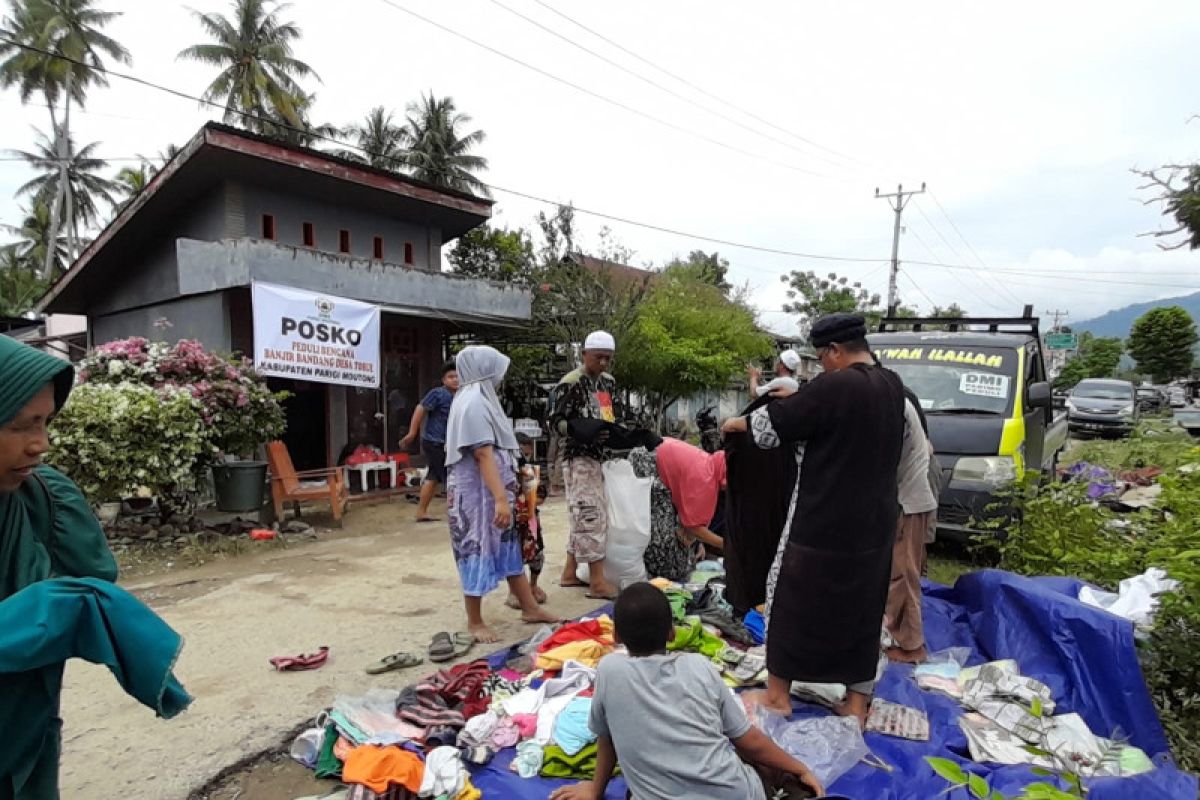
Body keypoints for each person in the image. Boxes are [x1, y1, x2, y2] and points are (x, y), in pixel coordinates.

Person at [0, 335, 191, 797]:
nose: (40, 445)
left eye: (45, 423)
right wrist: (36, 614)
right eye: (22, 426)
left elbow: (95, 574)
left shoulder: (39, 498)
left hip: (29, 744)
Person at [722, 312, 906, 726]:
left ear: (835, 351)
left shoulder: (837, 385)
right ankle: (857, 705)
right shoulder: (892, 385)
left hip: (823, 518)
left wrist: (737, 424)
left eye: (822, 357)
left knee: (789, 598)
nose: (820, 365)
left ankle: (777, 695)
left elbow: (772, 428)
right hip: (875, 520)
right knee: (863, 605)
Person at [550, 583, 823, 800]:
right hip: (734, 792)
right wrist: (800, 769)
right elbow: (748, 741)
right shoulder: (699, 666)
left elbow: (606, 737)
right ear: (672, 633)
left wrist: (595, 790)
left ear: (616, 637)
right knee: (760, 763)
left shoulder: (609, 670)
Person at [444, 346, 558, 643]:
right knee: (475, 549)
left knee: (508, 548)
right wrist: (497, 499)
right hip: (478, 498)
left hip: (493, 491)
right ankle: (475, 621)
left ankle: (529, 607)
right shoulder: (473, 403)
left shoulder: (478, 399)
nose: (500, 378)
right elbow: (482, 453)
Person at [551, 330, 622, 600]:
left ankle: (570, 573)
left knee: (585, 513)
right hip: (578, 457)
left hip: (601, 456)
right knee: (590, 514)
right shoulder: (571, 383)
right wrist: (578, 430)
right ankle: (596, 581)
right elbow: (554, 420)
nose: (603, 363)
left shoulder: (608, 383)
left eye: (608, 358)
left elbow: (610, 414)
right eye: (598, 357)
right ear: (584, 355)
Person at [721, 392, 799, 616]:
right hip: (779, 510)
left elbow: (729, 432)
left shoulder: (747, 424)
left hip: (748, 512)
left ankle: (747, 606)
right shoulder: (793, 424)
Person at [629, 436, 727, 582]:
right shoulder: (705, 480)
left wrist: (697, 543)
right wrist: (726, 545)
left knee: (682, 552)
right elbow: (693, 527)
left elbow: (688, 514)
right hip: (647, 464)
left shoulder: (710, 466)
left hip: (650, 453)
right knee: (666, 551)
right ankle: (657, 574)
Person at [886, 393, 938, 662]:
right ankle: (900, 634)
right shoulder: (899, 403)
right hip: (909, 500)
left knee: (904, 575)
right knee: (899, 573)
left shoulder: (895, 407)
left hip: (909, 503)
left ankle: (912, 646)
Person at [400, 361, 459, 522]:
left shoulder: (462, 395)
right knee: (450, 478)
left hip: (448, 443)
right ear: (443, 379)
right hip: (435, 442)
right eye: (450, 376)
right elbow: (421, 408)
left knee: (433, 477)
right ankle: (457, 513)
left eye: (457, 376)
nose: (455, 379)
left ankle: (421, 512)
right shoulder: (438, 393)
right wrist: (412, 433)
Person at [505, 432, 547, 609]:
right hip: (513, 516)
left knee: (537, 551)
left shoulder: (528, 469)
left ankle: (533, 585)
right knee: (514, 555)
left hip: (530, 517)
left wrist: (532, 498)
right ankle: (513, 592)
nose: (524, 456)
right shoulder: (506, 469)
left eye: (527, 454)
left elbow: (539, 495)